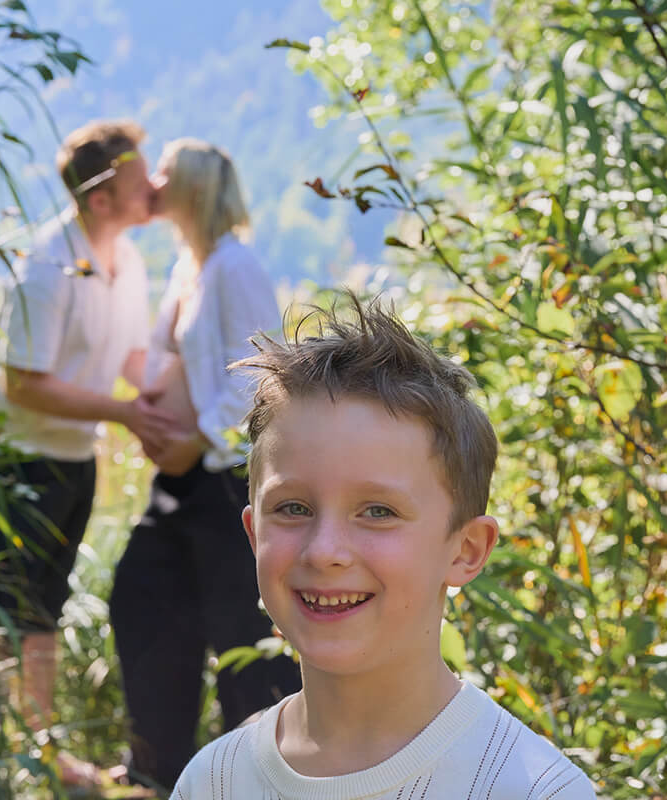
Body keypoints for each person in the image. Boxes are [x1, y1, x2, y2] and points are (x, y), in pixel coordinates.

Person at [171, 296, 596, 799]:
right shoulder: (213, 782)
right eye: (293, 509)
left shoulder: (530, 789)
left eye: (377, 512)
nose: (325, 551)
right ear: (254, 534)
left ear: (466, 549)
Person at [0, 119, 173, 784]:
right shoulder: (49, 266)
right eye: (145, 179)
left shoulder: (129, 262)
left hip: (71, 453)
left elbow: (137, 361)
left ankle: (41, 752)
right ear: (102, 198)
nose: (160, 188)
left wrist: (193, 395)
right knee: (6, 607)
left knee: (45, 603)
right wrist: (122, 414)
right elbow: (22, 384)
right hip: (12, 457)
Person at [108, 139, 302, 791]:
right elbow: (165, 357)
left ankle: (255, 777)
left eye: (166, 171)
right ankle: (159, 769)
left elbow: (261, 371)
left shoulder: (234, 266)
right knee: (145, 597)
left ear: (192, 187)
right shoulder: (191, 267)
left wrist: (195, 435)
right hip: (184, 476)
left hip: (222, 478)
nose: (155, 182)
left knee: (239, 629)